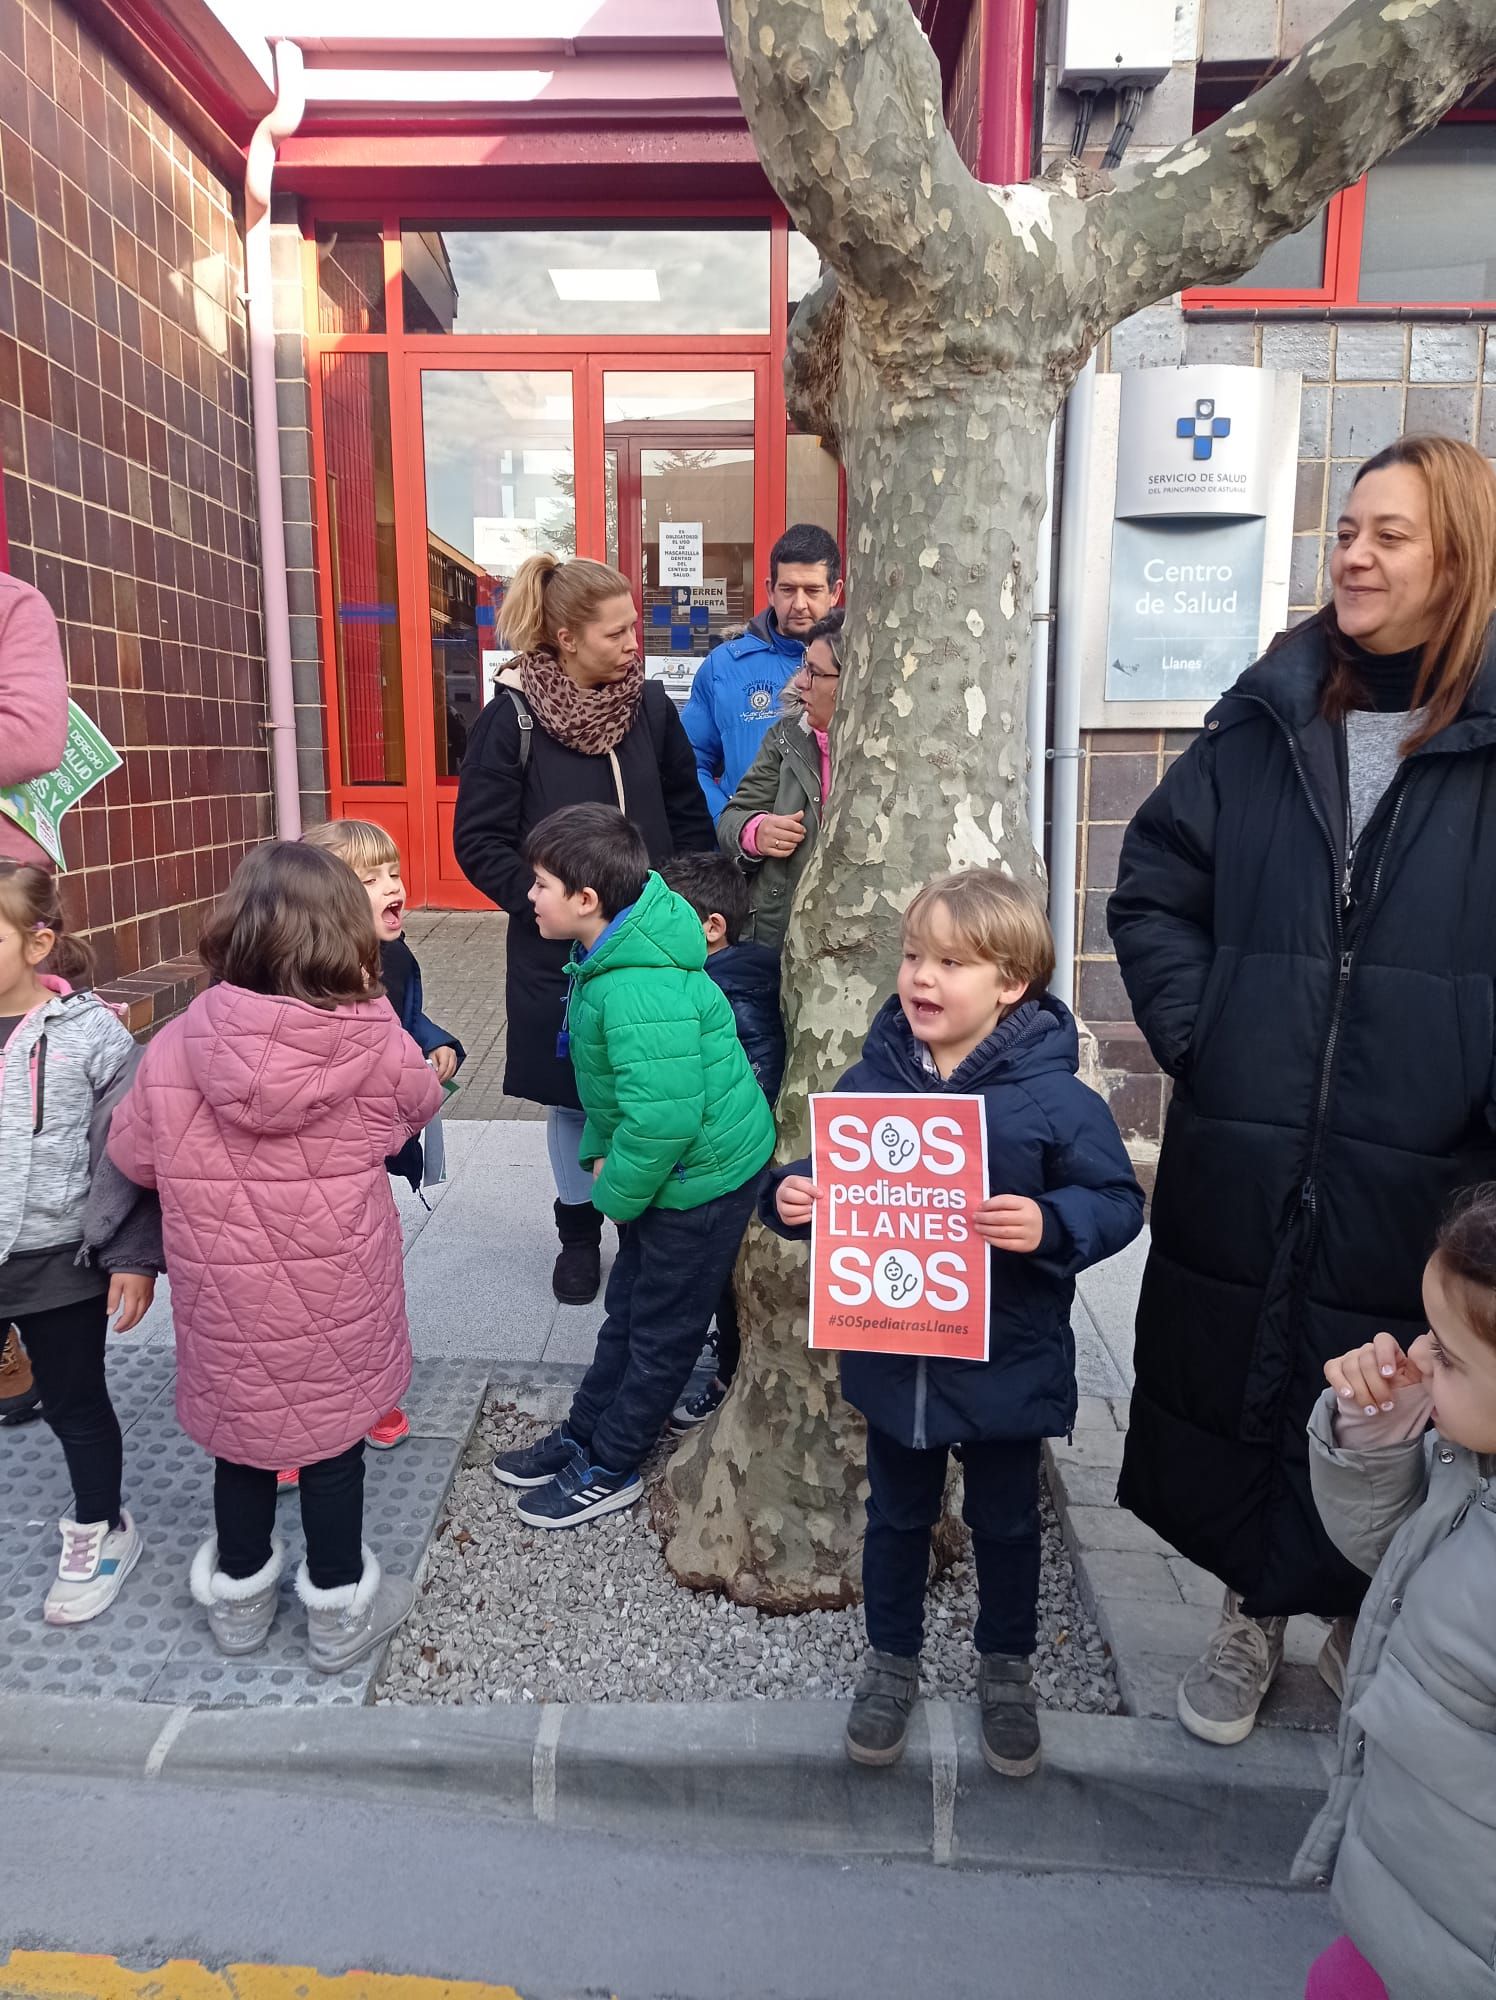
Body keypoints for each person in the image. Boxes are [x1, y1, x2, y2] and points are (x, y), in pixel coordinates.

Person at [1107, 434, 1496, 1747]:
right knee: (1244, 1372)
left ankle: (1356, 1615)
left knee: (1381, 1393)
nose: (1355, 554)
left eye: (1391, 533)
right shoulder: (1268, 718)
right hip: (1250, 1135)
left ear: (1461, 557)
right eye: (1345, 529)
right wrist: (1205, 1032)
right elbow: (1155, 887)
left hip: (1424, 1158)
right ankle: (1247, 1612)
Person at [764, 869, 1144, 1775]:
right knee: (896, 1516)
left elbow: (1117, 1200)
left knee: (1008, 1523)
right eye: (911, 956)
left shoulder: (1054, 1098)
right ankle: (890, 1661)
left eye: (949, 962)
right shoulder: (870, 1080)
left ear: (1010, 982)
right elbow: (821, 1174)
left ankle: (1006, 1666)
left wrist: (1052, 1224)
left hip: (1006, 1362)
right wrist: (789, 1196)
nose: (921, 977)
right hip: (896, 1364)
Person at [107, 843, 443, 1672]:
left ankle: (241, 1601)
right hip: (339, 1290)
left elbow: (135, 1154)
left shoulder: (179, 1042)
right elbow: (414, 1110)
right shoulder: (372, 1037)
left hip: (225, 1301)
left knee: (243, 1448)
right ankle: (337, 1615)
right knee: (333, 1451)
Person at [489, 804, 775, 1529]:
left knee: (660, 1334)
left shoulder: (636, 984)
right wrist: (608, 1158)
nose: (530, 896)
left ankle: (611, 1464)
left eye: (542, 884)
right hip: (667, 1176)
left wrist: (614, 1190)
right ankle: (585, 1431)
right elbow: (627, 1096)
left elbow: (665, 1118)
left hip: (698, 1183)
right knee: (628, 1313)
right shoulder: (614, 956)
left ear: (588, 901)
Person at [453, 554, 714, 1309]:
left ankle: (637, 1232)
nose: (636, 642)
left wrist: (696, 904)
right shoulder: (513, 720)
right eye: (618, 630)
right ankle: (576, 1235)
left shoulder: (652, 709)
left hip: (655, 951)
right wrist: (545, 906)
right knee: (575, 1099)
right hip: (557, 957)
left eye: (636, 626)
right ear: (566, 637)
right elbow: (480, 842)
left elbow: (688, 813)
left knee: (644, 1092)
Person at [1295, 1187, 1496, 2000]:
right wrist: (1376, 1439)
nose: (1416, 1356)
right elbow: (1401, 1564)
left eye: (1446, 1357)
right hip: (1416, 1903)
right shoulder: (1472, 1475)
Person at [0, 862, 160, 1624]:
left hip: (56, 1259)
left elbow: (126, 1153)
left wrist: (130, 1255)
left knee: (74, 1402)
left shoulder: (93, 1036)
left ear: (38, 944)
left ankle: (100, 1525)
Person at [298, 817, 466, 1464]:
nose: (392, 886)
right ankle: (297, 1419)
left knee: (371, 1284)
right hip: (306, 1173)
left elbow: (409, 1015)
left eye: (392, 871)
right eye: (368, 878)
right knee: (302, 1303)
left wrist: (438, 1043)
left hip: (368, 1164)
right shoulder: (301, 981)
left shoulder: (395, 957)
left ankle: (372, 1391)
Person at [658, 848, 786, 1431]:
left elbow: (754, 1069)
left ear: (712, 928)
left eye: (667, 913)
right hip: (726, 1157)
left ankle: (727, 1373)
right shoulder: (718, 976)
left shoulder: (728, 992)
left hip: (733, 1165)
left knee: (725, 1279)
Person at [0, 577, 71, 1424]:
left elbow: (30, 737)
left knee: (23, 1114)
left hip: (6, 885)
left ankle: (23, 1319)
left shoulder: (13, 606)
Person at [682, 523, 843, 819]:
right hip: (749, 856)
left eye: (812, 590)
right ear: (770, 590)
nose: (799, 604)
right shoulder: (724, 667)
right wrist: (732, 823)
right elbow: (688, 763)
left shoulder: (864, 665)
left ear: (834, 592)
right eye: (787, 589)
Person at [717, 608, 843, 953]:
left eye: (815, 672)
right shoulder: (786, 736)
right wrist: (755, 832)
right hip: (778, 941)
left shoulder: (895, 757)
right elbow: (732, 818)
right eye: (804, 666)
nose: (800, 680)